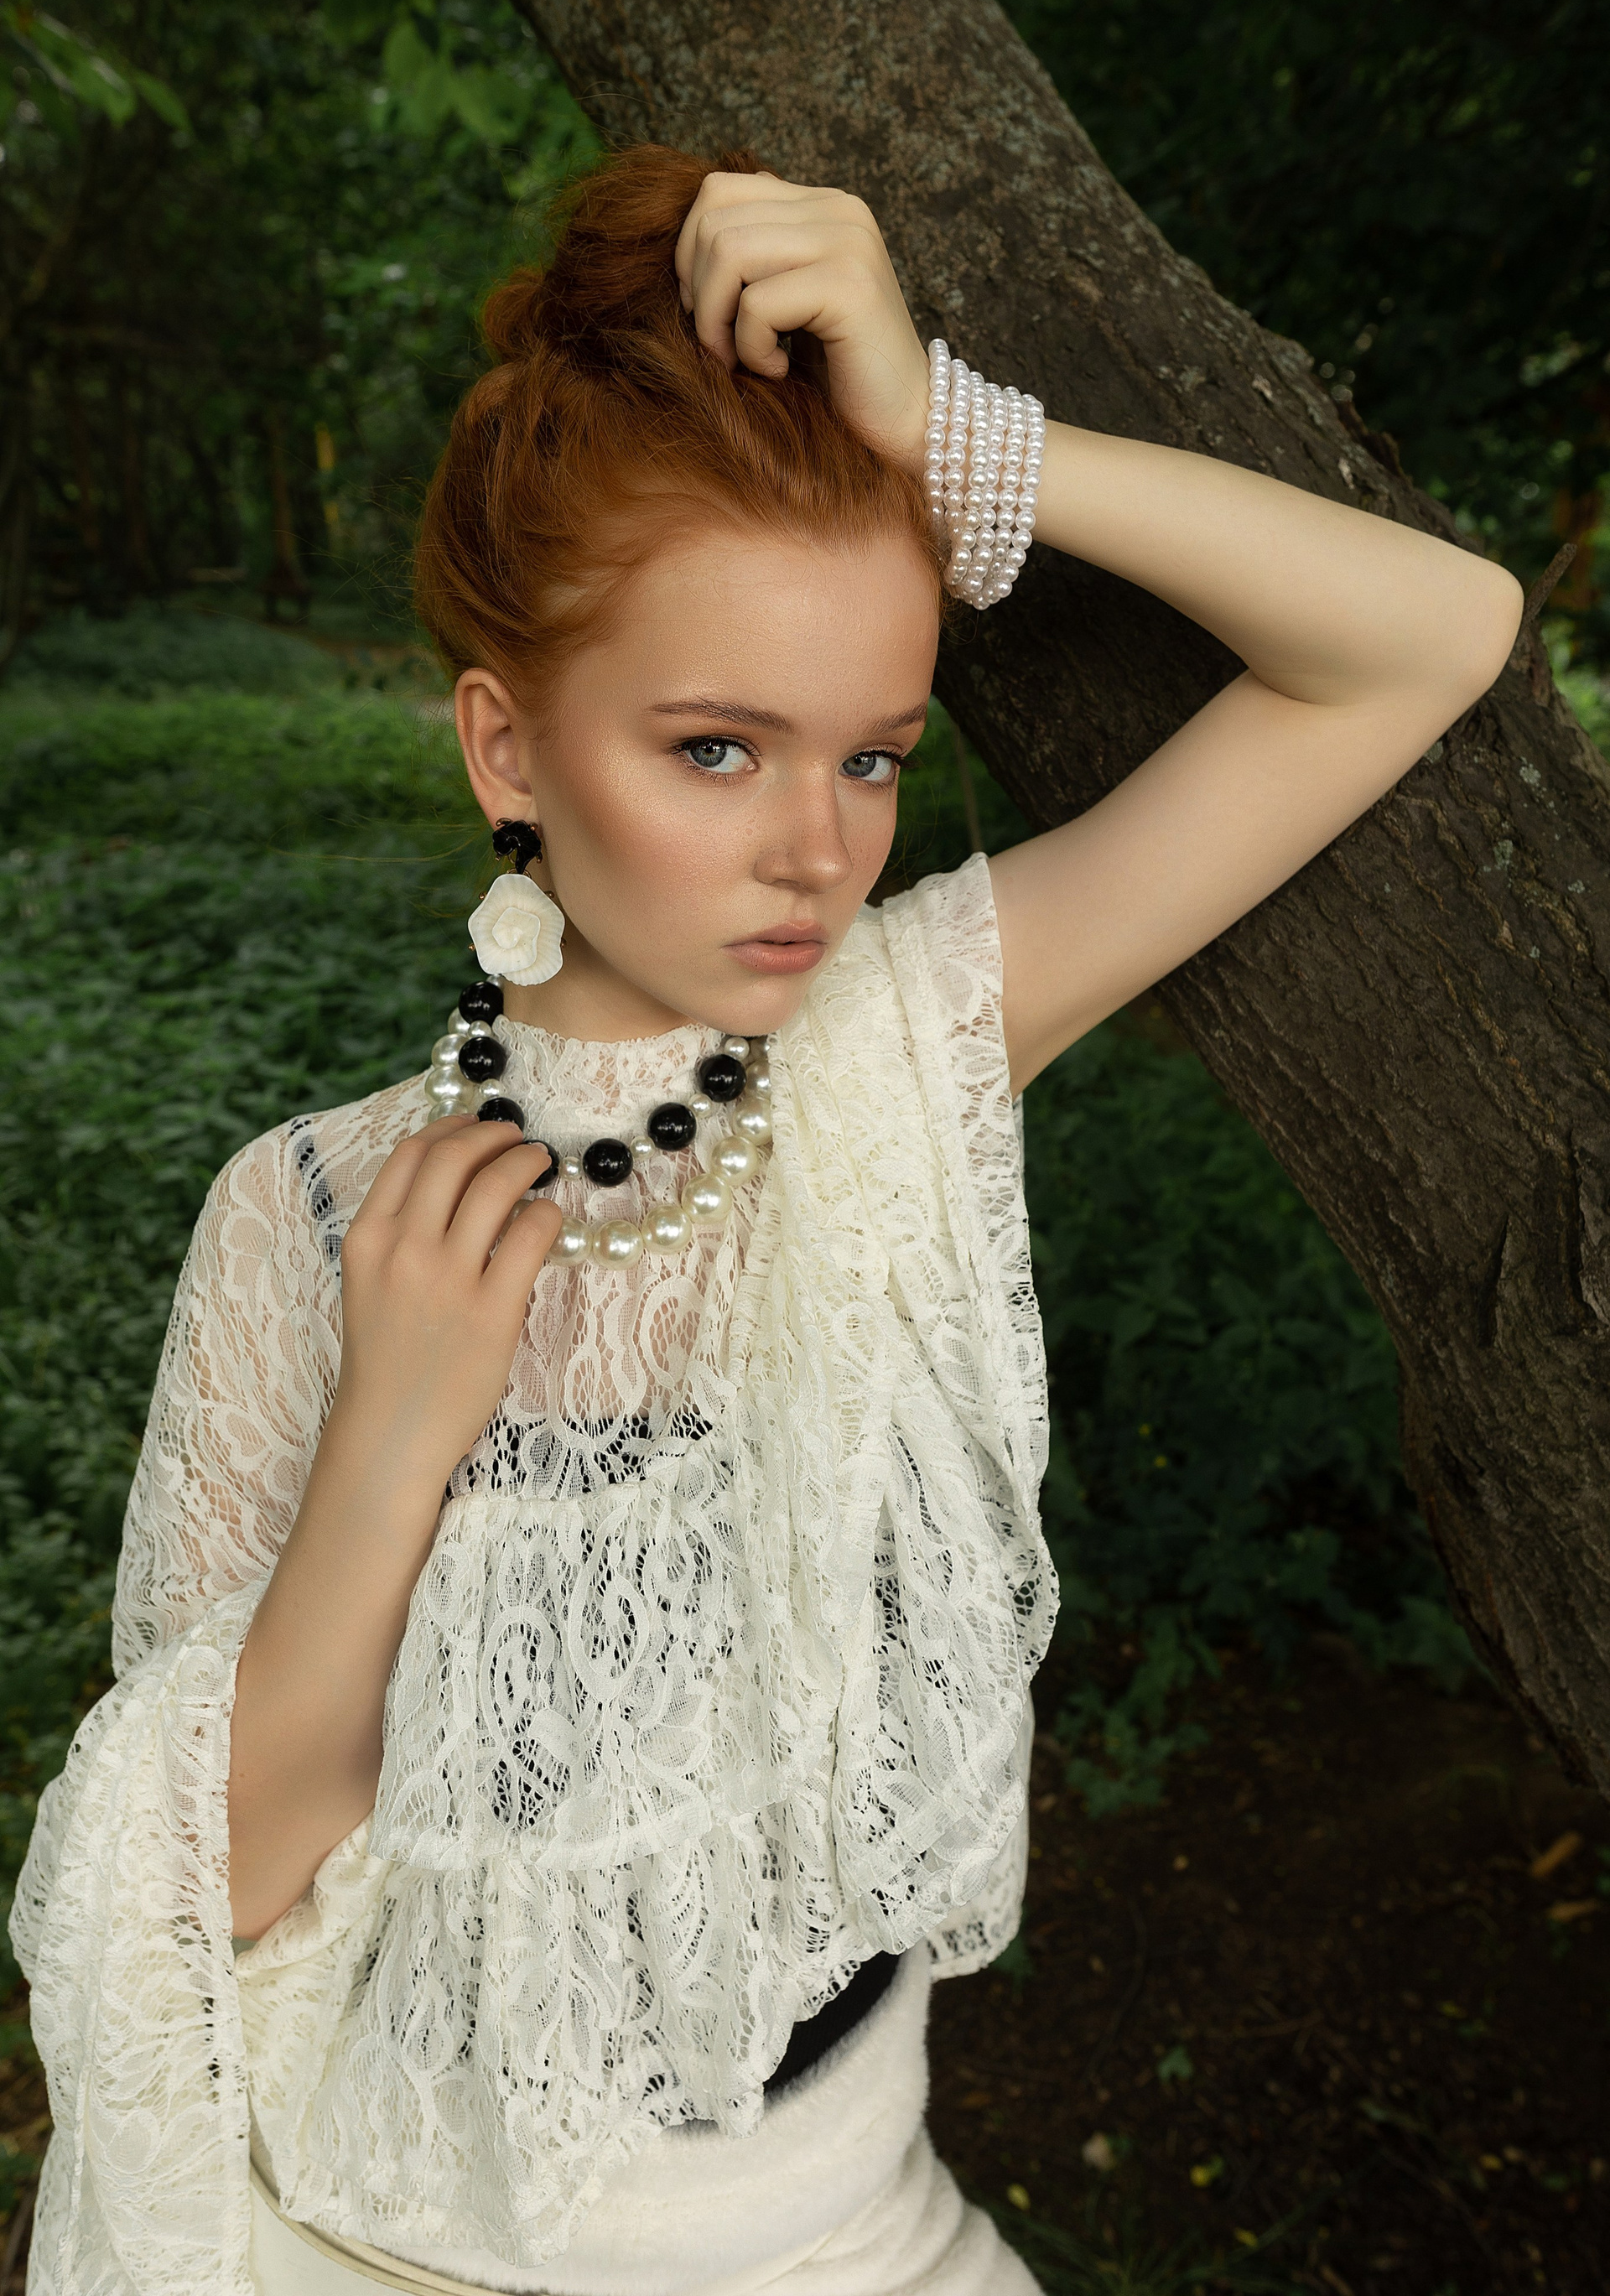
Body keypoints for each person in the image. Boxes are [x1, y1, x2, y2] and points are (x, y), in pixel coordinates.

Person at [12, 146, 1521, 2296]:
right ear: (506, 749)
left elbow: (1428, 638)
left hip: (852, 2243)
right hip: (386, 2247)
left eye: (874, 757)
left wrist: (952, 434)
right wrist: (393, 1441)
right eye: (718, 750)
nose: (818, 848)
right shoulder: (306, 1212)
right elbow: (191, 1901)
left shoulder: (897, 1060)